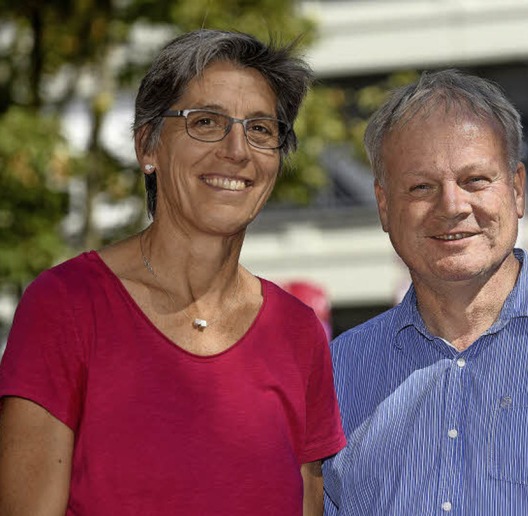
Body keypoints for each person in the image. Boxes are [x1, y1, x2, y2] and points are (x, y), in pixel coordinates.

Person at [0, 29, 346, 516]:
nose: (237, 150)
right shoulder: (66, 306)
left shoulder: (297, 333)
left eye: (261, 130)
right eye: (206, 122)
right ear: (148, 146)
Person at [323, 69, 528, 515]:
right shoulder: (339, 372)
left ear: (516, 189)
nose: (452, 206)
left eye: (475, 180)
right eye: (421, 187)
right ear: (384, 206)